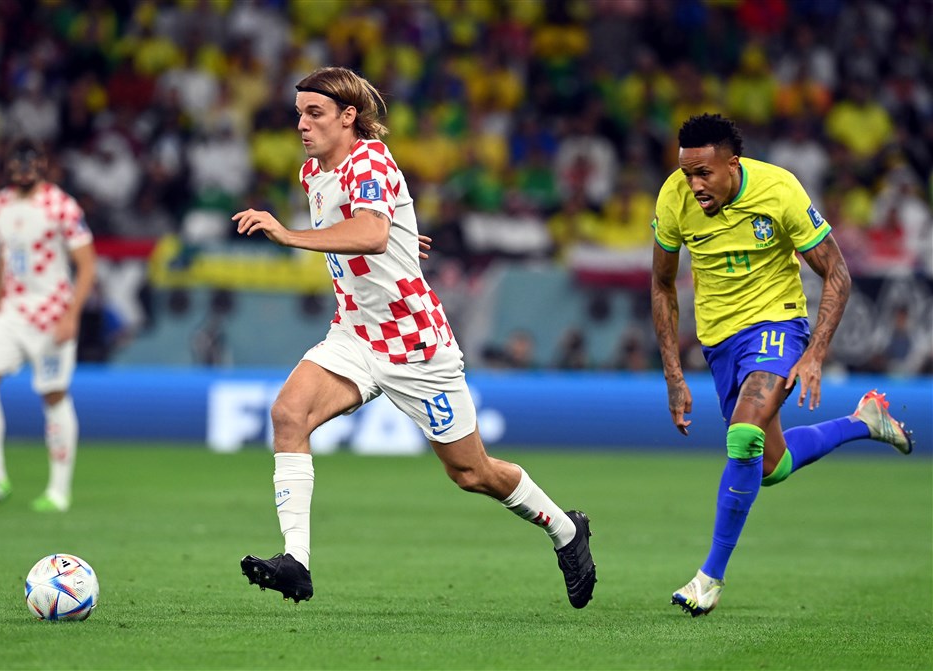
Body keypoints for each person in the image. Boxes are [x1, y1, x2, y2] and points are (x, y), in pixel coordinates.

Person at [233, 66, 596, 608]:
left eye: (315, 113)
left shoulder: (370, 159)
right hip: (355, 333)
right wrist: (399, 232)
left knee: (472, 473)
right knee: (289, 414)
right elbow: (376, 227)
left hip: (415, 344)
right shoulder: (314, 171)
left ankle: (566, 529)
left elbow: (372, 233)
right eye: (299, 113)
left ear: (348, 116)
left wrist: (292, 234)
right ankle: (296, 563)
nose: (303, 125)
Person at [650, 113, 913, 617]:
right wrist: (673, 373)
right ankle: (863, 422)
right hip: (720, 342)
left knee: (744, 435)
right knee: (770, 465)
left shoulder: (780, 190)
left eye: (704, 173)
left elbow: (837, 271)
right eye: (686, 172)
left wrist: (814, 352)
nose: (694, 184)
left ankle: (709, 577)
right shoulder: (673, 198)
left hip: (777, 326)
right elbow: (662, 285)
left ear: (733, 163)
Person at [0, 139, 97, 513]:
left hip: (52, 312)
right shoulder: (0, 204)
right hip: (13, 310)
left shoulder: (61, 206)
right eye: (16, 166)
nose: (23, 172)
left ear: (41, 166)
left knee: (52, 394)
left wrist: (71, 314)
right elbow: (4, 256)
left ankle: (58, 490)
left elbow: (87, 263)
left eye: (29, 165)